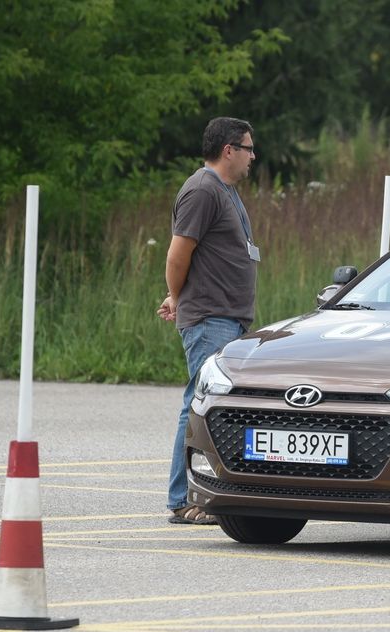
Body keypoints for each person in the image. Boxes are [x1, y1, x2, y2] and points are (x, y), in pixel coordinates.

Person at [157, 117, 259, 524]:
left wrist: (175, 295)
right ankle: (183, 499)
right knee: (200, 405)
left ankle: (217, 492)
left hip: (228, 319)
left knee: (218, 407)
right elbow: (178, 253)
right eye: (249, 148)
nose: (254, 156)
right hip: (210, 320)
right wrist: (179, 297)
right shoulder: (202, 190)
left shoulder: (225, 191)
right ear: (229, 150)